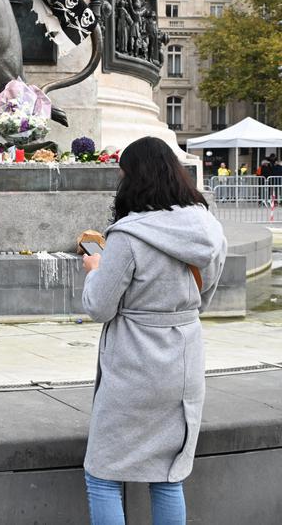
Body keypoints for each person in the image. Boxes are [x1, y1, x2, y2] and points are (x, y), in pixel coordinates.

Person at [81, 136, 227, 524]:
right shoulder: (209, 228)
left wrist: (96, 269)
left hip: (134, 366)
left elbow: (99, 307)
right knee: (167, 477)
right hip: (184, 361)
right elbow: (205, 296)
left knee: (103, 474)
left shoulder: (128, 236)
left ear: (134, 178)